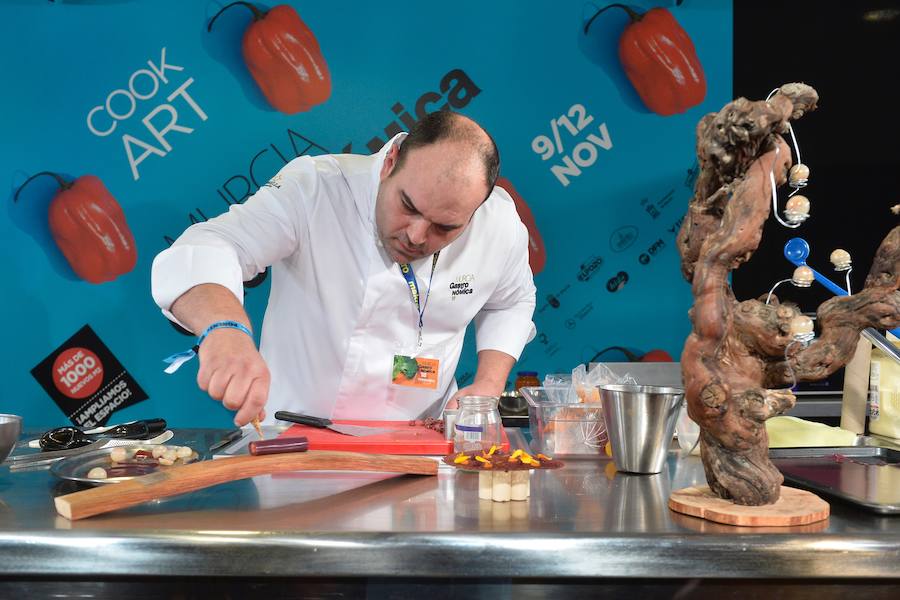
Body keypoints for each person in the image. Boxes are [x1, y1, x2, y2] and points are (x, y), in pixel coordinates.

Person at [151, 111, 536, 426]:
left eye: (444, 227)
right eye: (408, 206)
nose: (417, 235)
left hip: (422, 446)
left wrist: (488, 384)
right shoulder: (316, 189)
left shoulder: (499, 224)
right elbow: (210, 245)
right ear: (390, 162)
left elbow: (511, 301)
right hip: (296, 443)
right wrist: (224, 329)